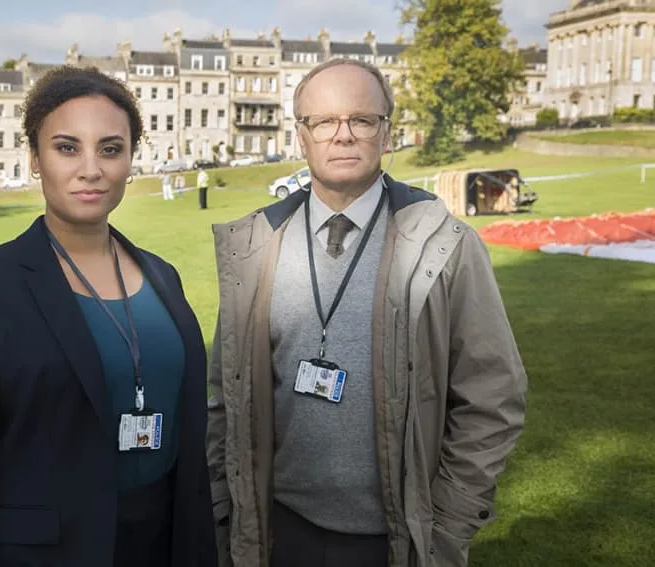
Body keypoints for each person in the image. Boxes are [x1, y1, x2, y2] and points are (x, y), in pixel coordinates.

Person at [206, 58, 527, 567]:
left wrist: (448, 523)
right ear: (301, 136)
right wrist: (226, 506)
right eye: (324, 121)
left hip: (397, 541)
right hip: (279, 532)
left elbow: (493, 398)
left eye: (361, 120)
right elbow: (228, 394)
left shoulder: (444, 245)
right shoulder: (256, 246)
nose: (343, 136)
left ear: (387, 133)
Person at [0, 65, 217, 567]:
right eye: (67, 147)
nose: (90, 168)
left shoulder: (163, 275)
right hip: (46, 551)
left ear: (131, 160)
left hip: (166, 541)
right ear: (34, 158)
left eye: (110, 149)